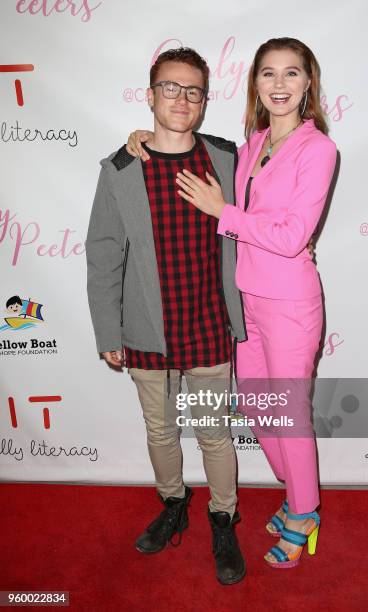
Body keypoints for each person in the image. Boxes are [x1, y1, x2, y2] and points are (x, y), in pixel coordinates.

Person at [134, 37, 337, 569]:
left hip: (291, 301)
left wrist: (224, 212)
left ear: (308, 84)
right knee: (257, 408)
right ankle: (297, 495)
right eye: (268, 74)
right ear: (255, 85)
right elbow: (192, 147)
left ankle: (304, 512)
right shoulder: (250, 146)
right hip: (244, 302)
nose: (279, 85)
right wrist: (139, 138)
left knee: (288, 415)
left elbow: (293, 235)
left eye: (291, 74)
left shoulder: (318, 149)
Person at [85, 47, 247, 585]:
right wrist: (109, 330)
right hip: (147, 331)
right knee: (160, 432)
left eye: (193, 90)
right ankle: (173, 502)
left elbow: (266, 210)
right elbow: (104, 252)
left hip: (207, 328)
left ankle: (222, 517)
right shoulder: (122, 168)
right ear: (151, 95)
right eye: (171, 88)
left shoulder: (226, 158)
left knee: (213, 434)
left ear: (204, 101)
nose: (182, 98)